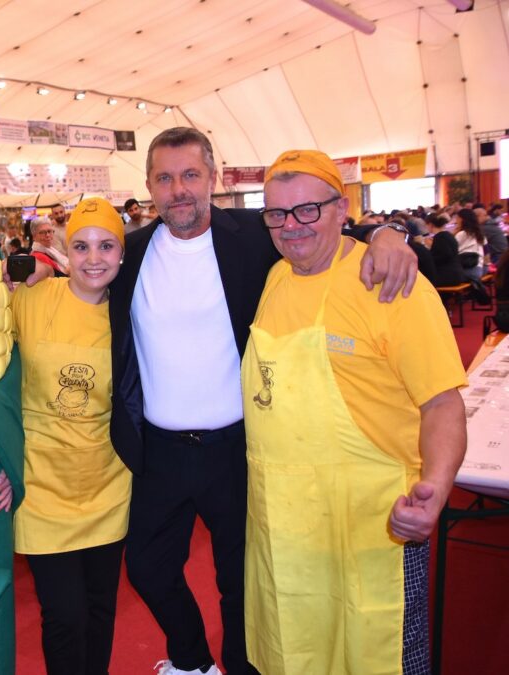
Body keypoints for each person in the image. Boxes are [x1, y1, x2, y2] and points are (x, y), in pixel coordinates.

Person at [107, 127, 416, 675]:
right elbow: (79, 284)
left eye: (190, 175)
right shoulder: (129, 254)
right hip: (159, 451)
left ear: (214, 178)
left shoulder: (255, 233)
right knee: (149, 567)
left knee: (243, 578)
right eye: (164, 178)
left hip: (239, 447)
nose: (178, 189)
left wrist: (390, 233)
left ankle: (243, 667)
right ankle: (192, 659)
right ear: (149, 185)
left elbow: (330, 226)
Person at [242, 150, 466, 675]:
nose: (291, 227)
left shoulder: (390, 285)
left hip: (374, 526)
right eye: (277, 214)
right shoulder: (274, 278)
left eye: (308, 210)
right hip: (286, 529)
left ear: (342, 209)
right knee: (295, 653)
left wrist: (435, 489)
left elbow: (442, 403)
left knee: (378, 655)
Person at [11, 197, 132, 674]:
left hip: (108, 486)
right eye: (81, 246)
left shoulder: (130, 315)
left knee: (101, 610)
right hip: (42, 489)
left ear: (122, 254)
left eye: (106, 246)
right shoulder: (32, 298)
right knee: (64, 615)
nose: (94, 258)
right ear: (66, 250)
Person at [425, 214, 466, 287]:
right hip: (457, 274)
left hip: (448, 275)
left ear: (430, 225)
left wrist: (428, 253)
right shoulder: (448, 235)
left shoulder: (440, 237)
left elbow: (443, 256)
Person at [454, 208, 486, 282]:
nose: (456, 221)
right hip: (479, 269)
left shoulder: (461, 234)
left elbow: (452, 251)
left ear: (462, 219)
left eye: (457, 218)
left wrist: (453, 234)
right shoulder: (480, 234)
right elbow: (486, 253)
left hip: (467, 269)